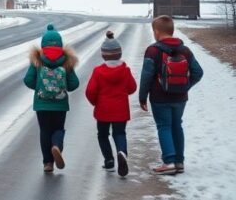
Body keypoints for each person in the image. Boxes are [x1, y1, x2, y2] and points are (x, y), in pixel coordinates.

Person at [139, 15, 204, 175]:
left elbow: (146, 75)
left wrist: (142, 96)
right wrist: (185, 86)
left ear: (156, 31)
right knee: (176, 126)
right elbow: (198, 72)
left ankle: (169, 162)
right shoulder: (185, 50)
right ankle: (179, 162)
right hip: (180, 98)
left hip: (159, 97)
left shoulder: (153, 50)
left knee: (164, 127)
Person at [23, 23, 79, 173]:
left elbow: (28, 80)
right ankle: (56, 146)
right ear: (60, 45)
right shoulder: (66, 60)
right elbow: (74, 84)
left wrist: (41, 87)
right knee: (58, 129)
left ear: (43, 45)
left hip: (42, 104)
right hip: (60, 104)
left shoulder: (37, 60)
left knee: (45, 131)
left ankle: (48, 163)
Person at [84, 30, 137, 177]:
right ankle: (122, 152)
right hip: (121, 110)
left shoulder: (98, 71)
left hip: (103, 111)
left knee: (103, 135)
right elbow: (132, 88)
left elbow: (90, 91)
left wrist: (96, 102)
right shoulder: (125, 71)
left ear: (103, 54)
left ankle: (109, 161)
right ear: (119, 54)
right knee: (119, 133)